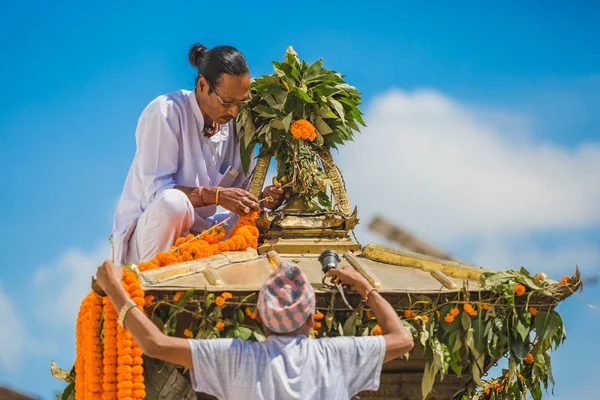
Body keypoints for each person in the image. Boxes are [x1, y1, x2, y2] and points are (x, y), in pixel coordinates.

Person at [95, 258, 414, 399]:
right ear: (309, 319)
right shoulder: (333, 356)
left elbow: (155, 345)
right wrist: (364, 287)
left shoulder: (237, 357)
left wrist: (114, 288)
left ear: (260, 319)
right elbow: (403, 339)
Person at [112, 43, 284, 265]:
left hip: (201, 234)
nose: (234, 111)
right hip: (148, 239)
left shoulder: (237, 125)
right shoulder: (166, 111)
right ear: (202, 85)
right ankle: (157, 278)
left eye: (242, 102)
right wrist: (215, 195)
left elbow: (240, 197)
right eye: (227, 103)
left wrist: (264, 199)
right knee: (173, 204)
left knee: (259, 223)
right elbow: (158, 194)